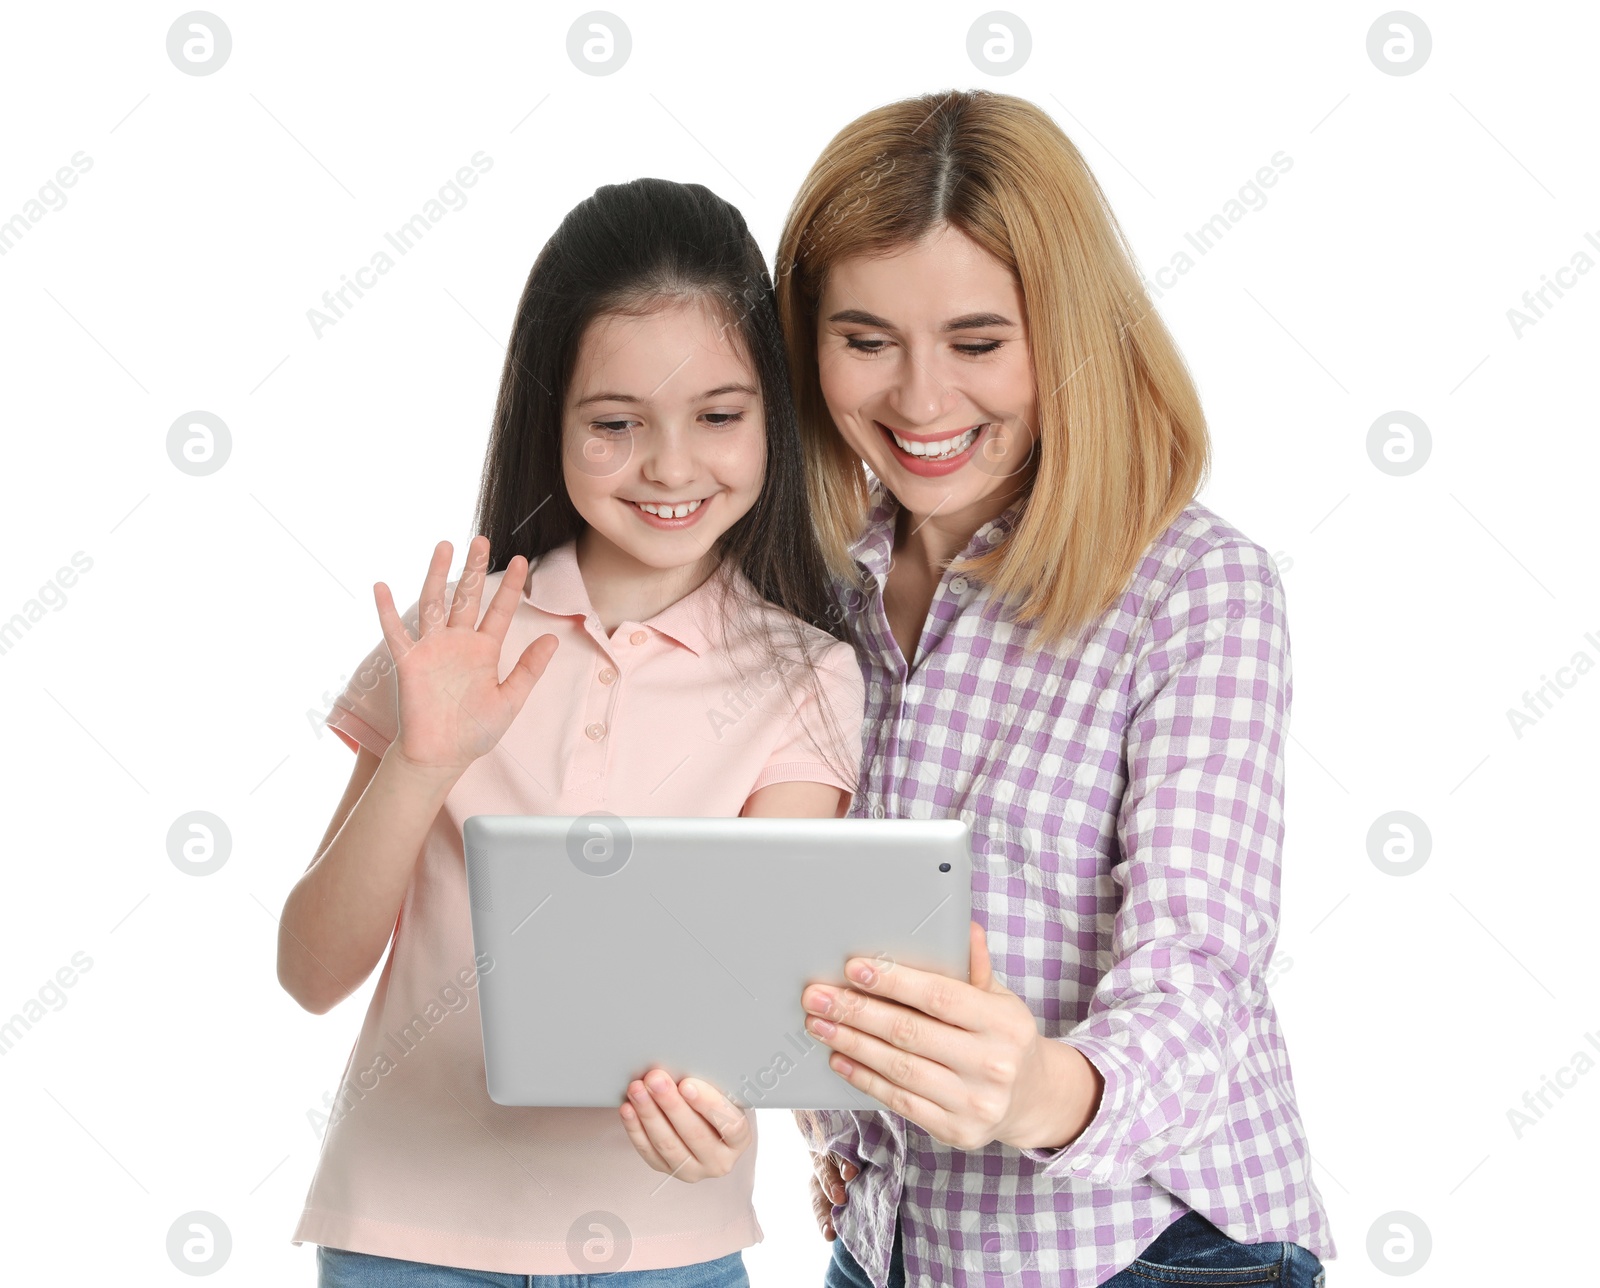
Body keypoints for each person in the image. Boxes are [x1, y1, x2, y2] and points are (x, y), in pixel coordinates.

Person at [772, 90, 1335, 1287]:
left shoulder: (1196, 588)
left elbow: (1201, 964)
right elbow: (786, 904)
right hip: (890, 1250)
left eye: (978, 343)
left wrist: (1038, 1088)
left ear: (1070, 335)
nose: (920, 403)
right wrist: (830, 1119)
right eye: (865, 340)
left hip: (1153, 1250)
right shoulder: (810, 592)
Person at [277, 177, 866, 1285]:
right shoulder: (448, 642)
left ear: (772, 416)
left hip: (667, 1244)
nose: (671, 466)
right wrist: (424, 758)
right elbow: (311, 972)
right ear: (550, 418)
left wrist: (730, 1105)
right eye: (615, 424)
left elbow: (760, 996)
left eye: (718, 416)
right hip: (405, 1228)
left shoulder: (808, 678)